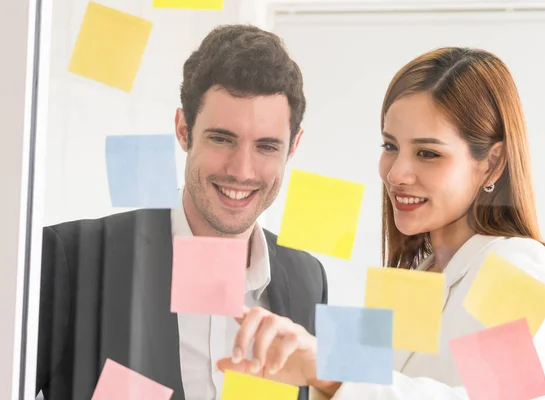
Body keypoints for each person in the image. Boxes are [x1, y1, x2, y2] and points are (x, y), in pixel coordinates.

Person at [216, 47, 545, 399]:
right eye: (390, 146)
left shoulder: (515, 265)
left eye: (428, 153)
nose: (397, 173)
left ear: (492, 163)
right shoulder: (412, 276)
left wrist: (327, 368)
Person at [35, 24, 328, 400]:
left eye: (267, 147)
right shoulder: (72, 257)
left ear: (293, 147)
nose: (242, 170)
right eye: (222, 138)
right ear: (183, 130)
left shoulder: (309, 279)